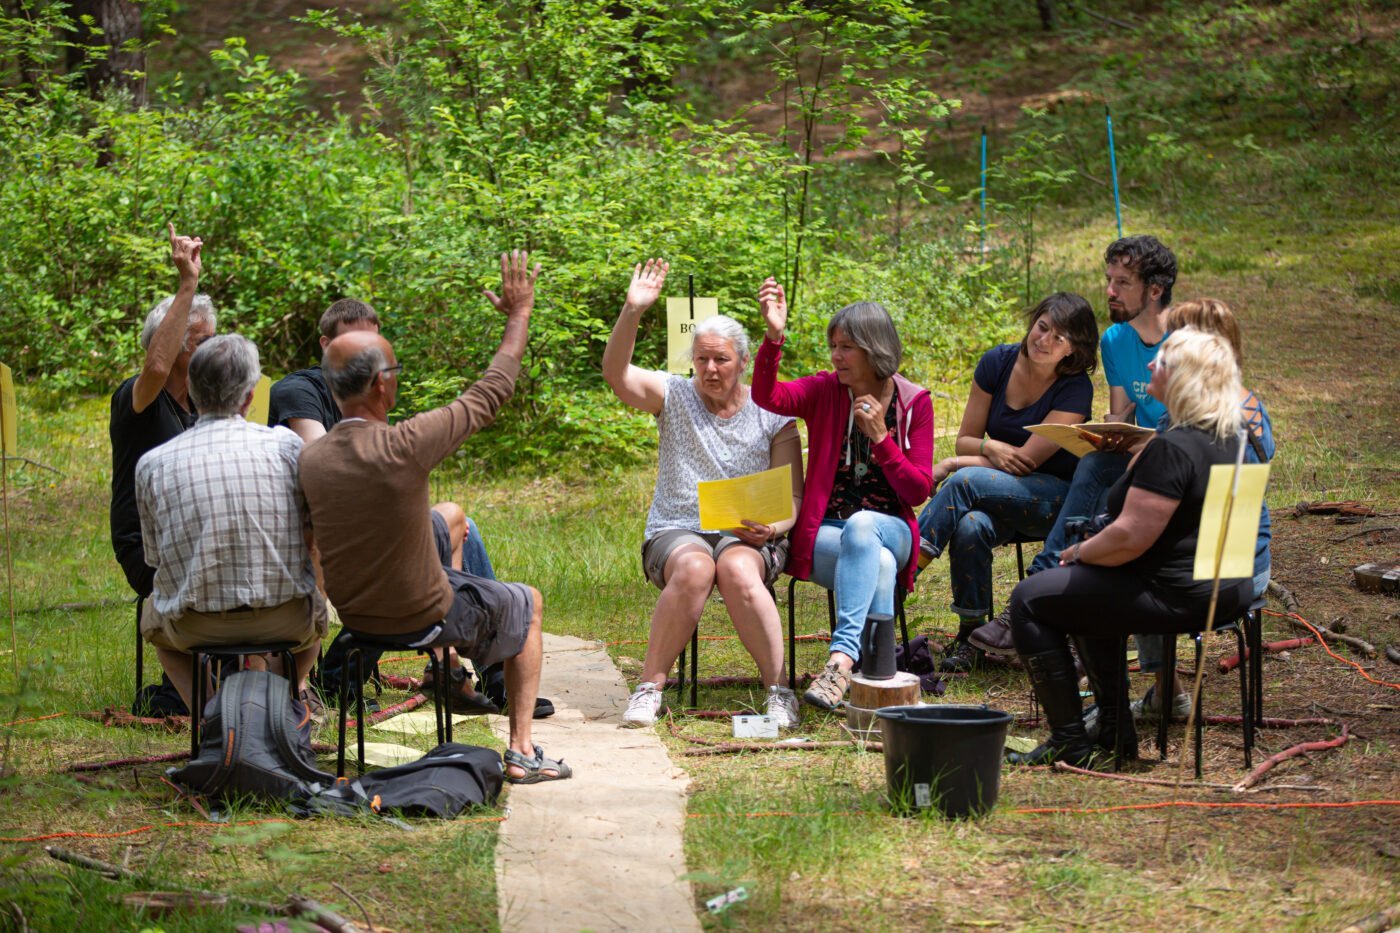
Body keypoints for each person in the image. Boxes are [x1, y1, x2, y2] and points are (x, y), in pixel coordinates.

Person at [298, 250, 571, 784]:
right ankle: (521, 750)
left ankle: (450, 679)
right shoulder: (404, 444)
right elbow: (492, 392)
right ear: (381, 384)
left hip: (356, 620)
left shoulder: (311, 457)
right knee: (527, 602)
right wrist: (518, 316)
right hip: (422, 615)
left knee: (446, 522)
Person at [1005, 328, 1256, 766]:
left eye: (1161, 362)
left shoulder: (1174, 448)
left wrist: (1079, 552)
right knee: (1082, 589)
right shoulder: (1233, 436)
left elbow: (1129, 537)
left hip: (1181, 595)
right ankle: (1112, 728)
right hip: (1228, 585)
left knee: (1030, 598)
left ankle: (1070, 741)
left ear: (1184, 379)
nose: (1150, 367)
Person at [269, 299, 521, 715]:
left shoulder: (373, 409)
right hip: (332, 543)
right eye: (360, 343)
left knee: (460, 523)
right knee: (501, 588)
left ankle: (479, 671)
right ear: (327, 347)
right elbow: (330, 466)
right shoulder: (298, 391)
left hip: (362, 558)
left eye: (376, 342)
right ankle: (473, 689)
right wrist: (519, 315)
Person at [603, 259, 805, 728]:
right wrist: (633, 311)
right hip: (677, 531)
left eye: (722, 360)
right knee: (696, 567)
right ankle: (650, 689)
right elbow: (617, 375)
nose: (710, 369)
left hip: (751, 535)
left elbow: (792, 497)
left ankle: (778, 691)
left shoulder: (772, 412)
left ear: (743, 360)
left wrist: (772, 528)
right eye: (701, 359)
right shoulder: (673, 394)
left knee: (734, 566)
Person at [965, 235, 1178, 658]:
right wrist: (1111, 433)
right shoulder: (1116, 340)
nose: (1110, 292)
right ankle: (1056, 609)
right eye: (1109, 280)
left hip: (1180, 465)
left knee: (1097, 472)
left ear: (1154, 290)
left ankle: (1039, 589)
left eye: (1122, 283)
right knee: (1099, 462)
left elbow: (1201, 428)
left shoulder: (1186, 339)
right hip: (1137, 465)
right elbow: (1122, 415)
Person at [752, 278, 934, 710]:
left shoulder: (913, 402)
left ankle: (840, 660)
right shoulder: (825, 390)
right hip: (828, 534)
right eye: (833, 346)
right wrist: (773, 338)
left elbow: (918, 490)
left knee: (866, 527)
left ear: (874, 348)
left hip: (892, 528)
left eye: (847, 347)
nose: (836, 356)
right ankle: (872, 678)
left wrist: (883, 441)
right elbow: (767, 395)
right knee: (880, 564)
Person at [135, 335, 325, 711]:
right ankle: (279, 706)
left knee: (152, 619)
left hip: (194, 624)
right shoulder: (288, 447)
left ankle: (212, 721)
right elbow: (313, 532)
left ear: (190, 390)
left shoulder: (153, 463)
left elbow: (156, 559)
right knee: (315, 624)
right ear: (250, 397)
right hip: (285, 619)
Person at [915, 293, 1098, 672]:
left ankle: (902, 572)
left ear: (1073, 350)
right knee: (970, 525)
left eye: (1058, 338)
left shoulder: (1075, 388)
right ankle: (973, 636)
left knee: (963, 481)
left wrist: (953, 462)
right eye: (1042, 327)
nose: (1044, 340)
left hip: (1055, 501)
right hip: (998, 493)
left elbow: (1025, 461)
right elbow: (967, 437)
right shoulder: (997, 363)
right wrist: (989, 447)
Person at [1129, 299, 1274, 723]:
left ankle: (1164, 693)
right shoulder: (1242, 406)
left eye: (1175, 340)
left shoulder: (1208, 419)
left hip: (1226, 566)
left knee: (1135, 562)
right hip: (1241, 558)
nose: (1164, 347)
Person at [110, 223, 214, 715]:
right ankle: (203, 692)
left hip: (197, 536)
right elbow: (155, 369)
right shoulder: (139, 399)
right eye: (200, 343)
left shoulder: (200, 404)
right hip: (147, 547)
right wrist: (186, 284)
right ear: (170, 347)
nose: (211, 352)